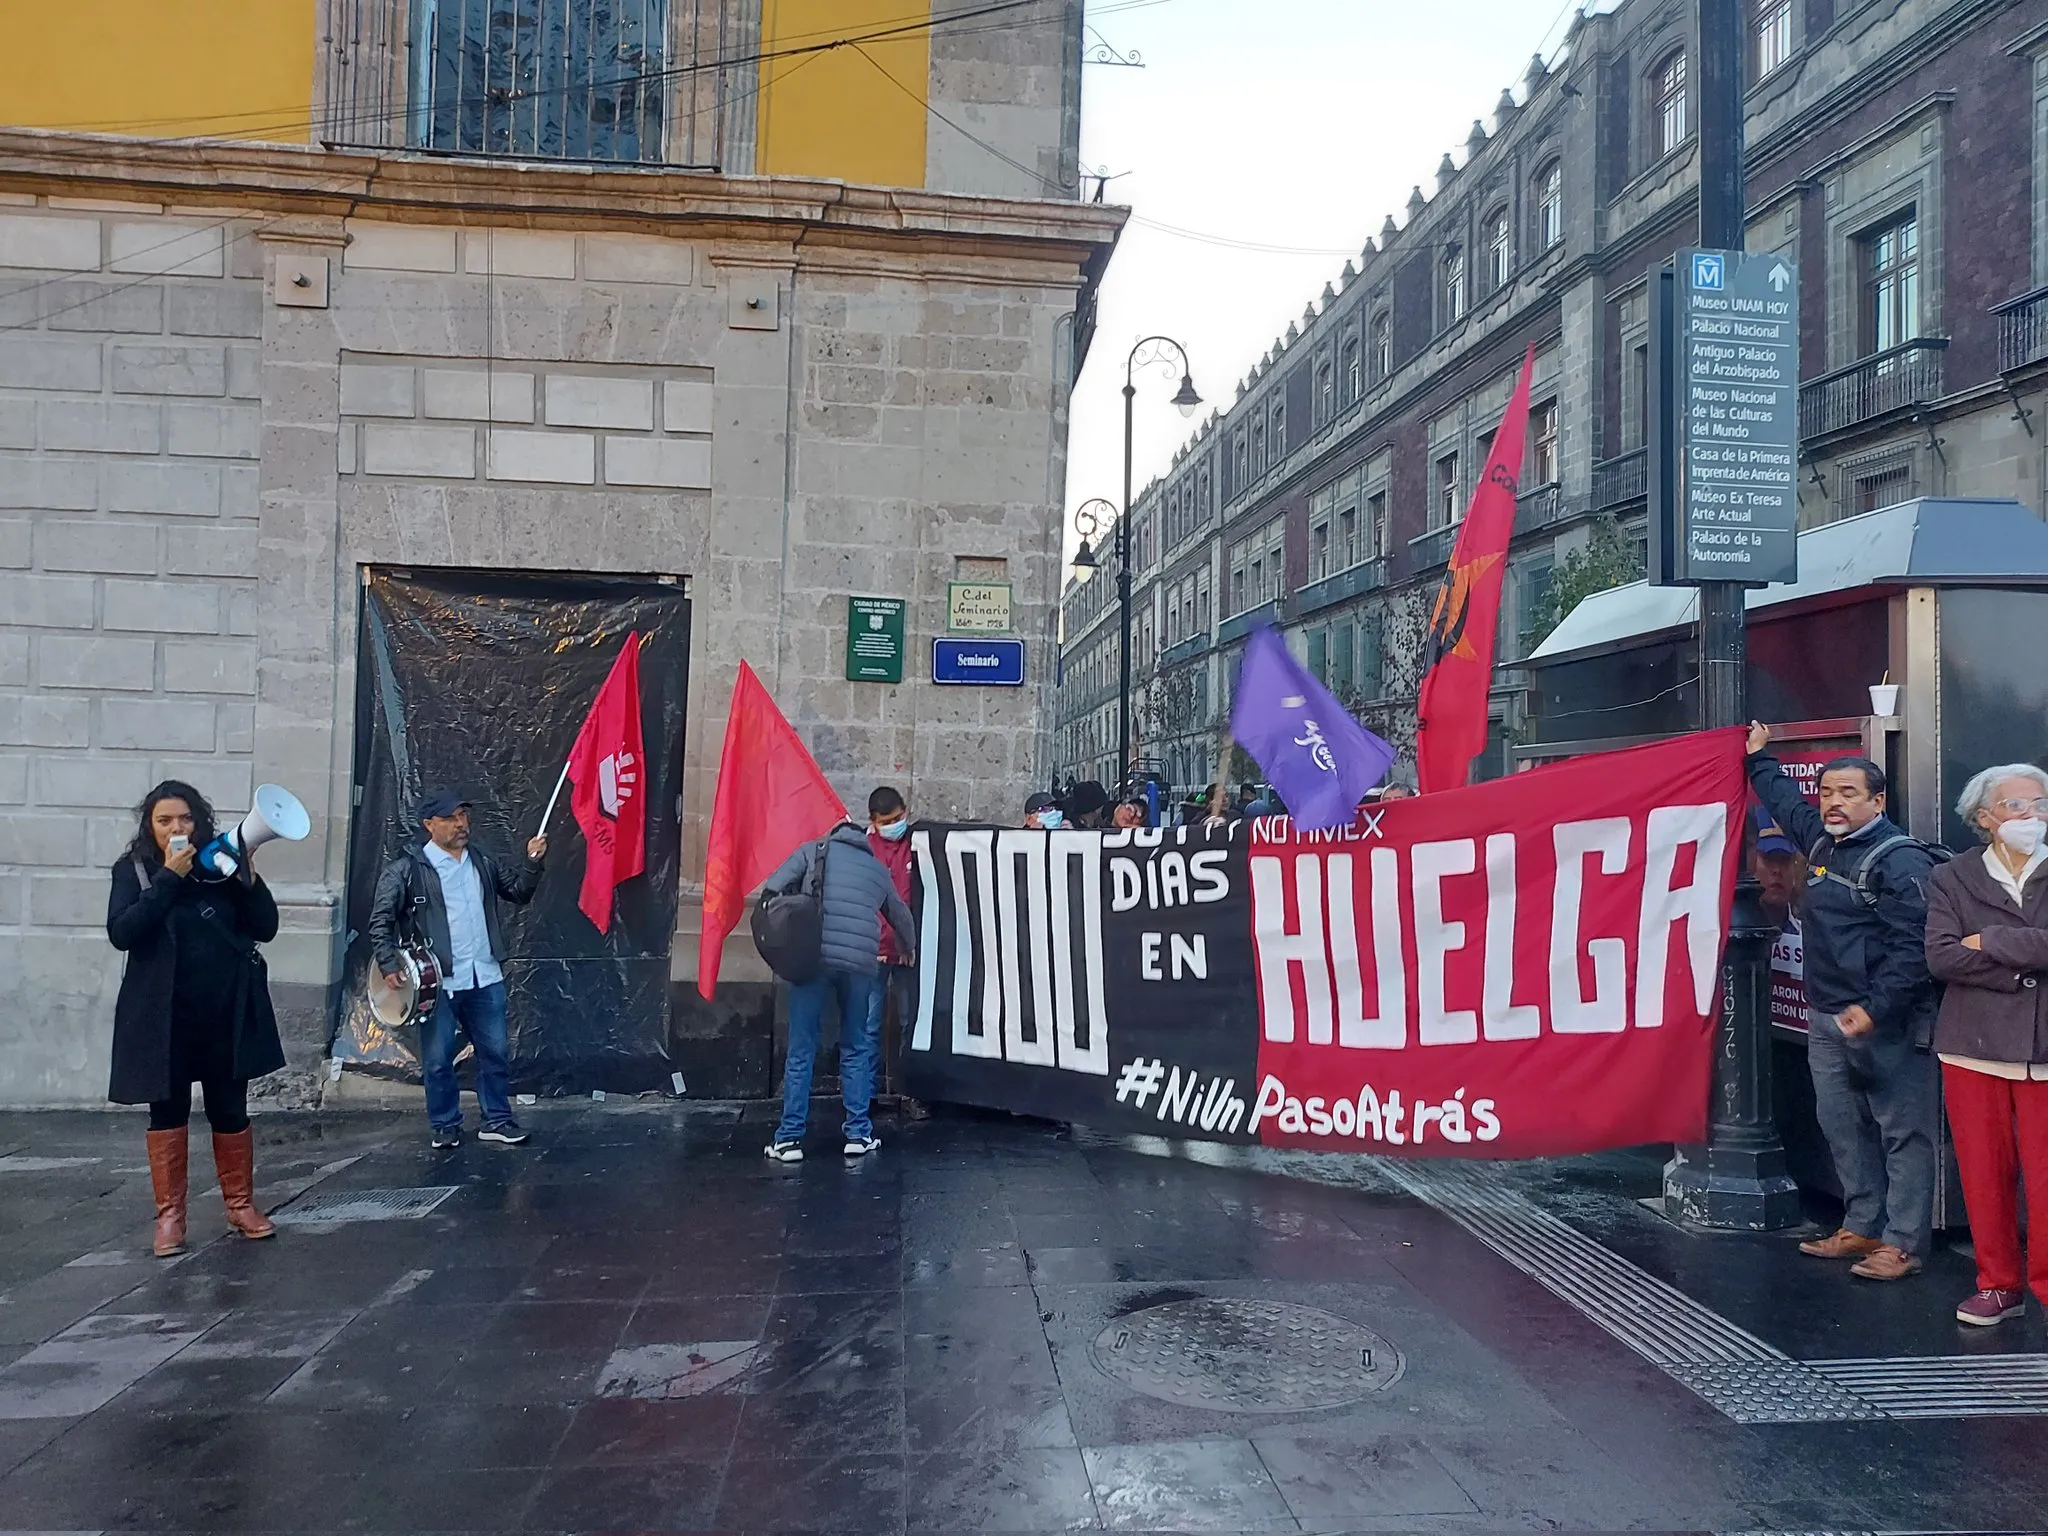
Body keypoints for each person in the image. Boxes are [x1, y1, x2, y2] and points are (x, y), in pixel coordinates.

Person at [1748, 723, 1941, 1281]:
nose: (1833, 802)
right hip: (1827, 1015)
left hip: (1888, 1022)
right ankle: (1862, 1224)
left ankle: (1902, 1243)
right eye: (1828, 792)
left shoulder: (1901, 863)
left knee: (1904, 1132)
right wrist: (1760, 758)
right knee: (1841, 1124)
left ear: (1877, 801)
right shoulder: (1822, 842)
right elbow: (1784, 801)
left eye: (1848, 793)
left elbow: (1916, 951)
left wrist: (1875, 1009)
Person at [106, 780, 285, 1257]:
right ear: (150, 826)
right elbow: (122, 932)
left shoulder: (220, 868)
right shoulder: (135, 871)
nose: (176, 828)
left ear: (199, 821)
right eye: (164, 821)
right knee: (167, 1112)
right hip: (163, 1017)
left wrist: (248, 880)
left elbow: (265, 927)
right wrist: (167, 877)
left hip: (224, 1009)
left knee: (230, 1109)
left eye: (184, 819)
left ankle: (241, 1205)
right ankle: (171, 1218)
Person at [1923, 763, 2048, 1325]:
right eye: (2018, 805)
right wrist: (2028, 964)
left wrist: (1993, 940)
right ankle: (1999, 1283)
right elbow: (1942, 956)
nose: (2033, 816)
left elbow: (1970, 950)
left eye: (2040, 803)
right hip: (1972, 1047)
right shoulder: (1953, 877)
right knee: (1983, 1171)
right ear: (1984, 817)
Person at [369, 790, 546, 1150]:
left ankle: (497, 1120)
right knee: (437, 1059)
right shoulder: (407, 869)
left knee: (495, 1052)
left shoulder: (481, 860)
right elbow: (381, 920)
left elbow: (518, 892)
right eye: (451, 818)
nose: (461, 824)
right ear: (429, 825)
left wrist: (531, 861)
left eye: (463, 816)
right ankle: (445, 1123)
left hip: (484, 974)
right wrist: (388, 964)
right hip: (438, 980)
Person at [762, 822, 916, 1162]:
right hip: (859, 965)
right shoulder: (876, 868)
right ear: (863, 840)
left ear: (833, 837)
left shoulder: (812, 852)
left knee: (802, 1049)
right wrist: (909, 946)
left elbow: (773, 887)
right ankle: (859, 1134)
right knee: (857, 1045)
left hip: (812, 959)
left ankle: (789, 1139)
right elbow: (900, 915)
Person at [864, 786, 921, 1117]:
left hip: (906, 950)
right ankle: (864, 1094)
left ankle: (911, 1092)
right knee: (868, 1025)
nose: (897, 824)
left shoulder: (916, 844)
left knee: (910, 1022)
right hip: (873, 951)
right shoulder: (864, 848)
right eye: (889, 821)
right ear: (874, 821)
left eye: (901, 817)